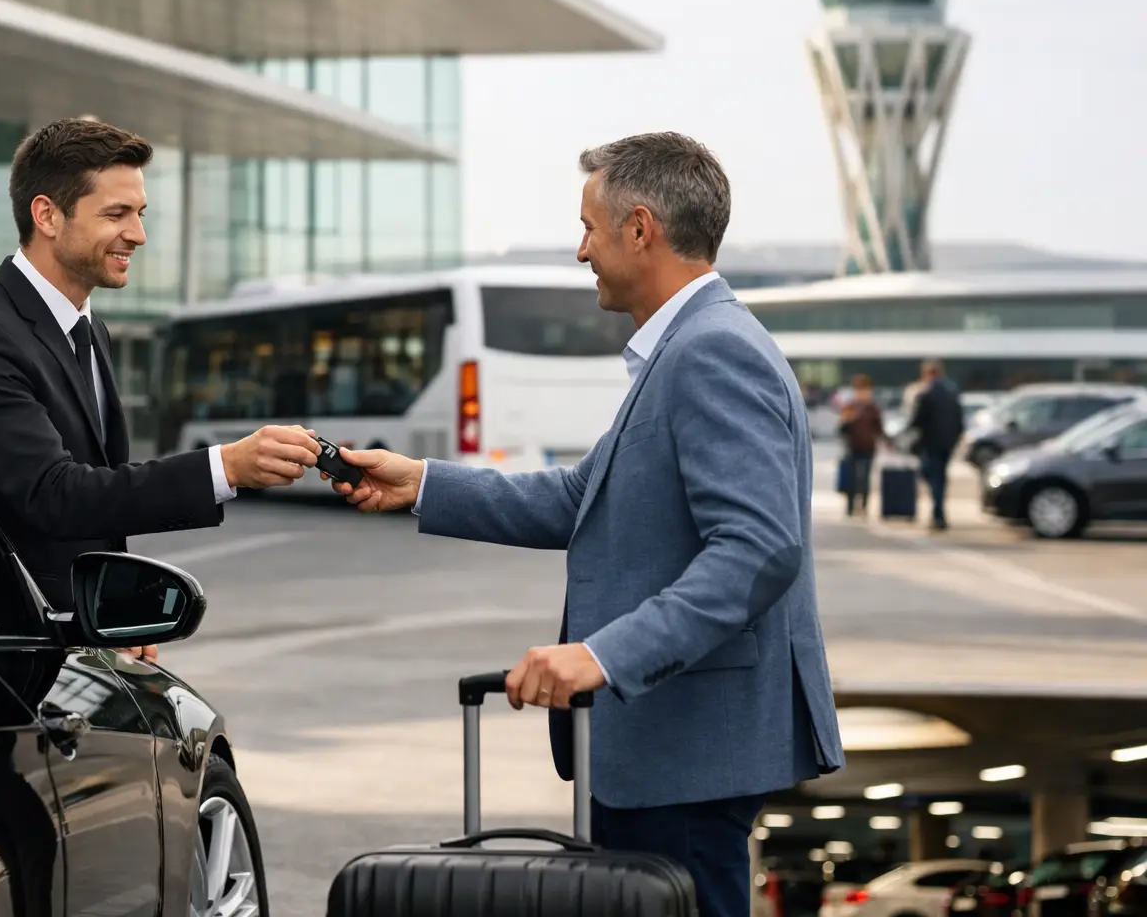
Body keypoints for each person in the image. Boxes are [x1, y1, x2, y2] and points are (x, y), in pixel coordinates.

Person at [325, 132, 844, 917]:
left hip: (686, 751)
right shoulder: (687, 348)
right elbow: (584, 497)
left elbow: (758, 548)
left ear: (641, 229)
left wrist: (604, 655)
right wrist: (422, 483)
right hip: (667, 748)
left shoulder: (711, 353)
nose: (581, 251)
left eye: (590, 228)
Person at [0, 117, 319, 616]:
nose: (138, 235)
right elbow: (54, 494)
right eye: (116, 214)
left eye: (141, 213)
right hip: (5, 651)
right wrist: (226, 466)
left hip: (75, 638)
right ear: (47, 215)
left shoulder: (89, 329)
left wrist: (114, 614)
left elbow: (96, 508)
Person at [905, 358, 964, 530]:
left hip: (931, 442)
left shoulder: (926, 393)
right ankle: (939, 512)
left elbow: (917, 420)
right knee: (940, 476)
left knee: (930, 474)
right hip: (948, 442)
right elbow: (960, 419)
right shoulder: (952, 392)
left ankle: (938, 514)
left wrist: (907, 432)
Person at [838, 374, 884, 516]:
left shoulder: (873, 408)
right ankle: (850, 507)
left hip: (868, 447)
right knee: (852, 478)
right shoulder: (850, 406)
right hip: (852, 446)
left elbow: (879, 428)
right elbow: (841, 430)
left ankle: (863, 507)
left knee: (864, 478)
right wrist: (847, 420)